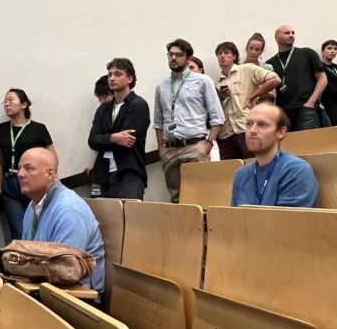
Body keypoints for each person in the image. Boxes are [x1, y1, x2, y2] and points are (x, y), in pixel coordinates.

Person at [18, 148, 105, 292]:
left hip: (78, 299)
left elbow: (64, 272)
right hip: (44, 288)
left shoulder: (68, 209)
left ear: (50, 174)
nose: (20, 174)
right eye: (19, 168)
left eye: (29, 168)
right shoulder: (33, 204)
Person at [154, 39, 225, 202]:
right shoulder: (162, 86)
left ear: (187, 58)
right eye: (170, 55)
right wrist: (161, 149)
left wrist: (207, 144)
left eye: (178, 55)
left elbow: (217, 117)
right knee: (176, 199)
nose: (173, 58)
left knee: (200, 196)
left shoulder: (202, 81)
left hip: (195, 146)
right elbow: (158, 122)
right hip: (170, 150)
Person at [0, 88, 55, 241]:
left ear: (24, 104)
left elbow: (51, 156)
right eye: (5, 101)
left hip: (34, 183)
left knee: (39, 226)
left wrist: (51, 180)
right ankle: (21, 261)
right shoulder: (0, 129)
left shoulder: (38, 129)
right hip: (10, 184)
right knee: (19, 230)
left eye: (11, 100)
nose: (7, 104)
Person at [232, 103, 318, 207]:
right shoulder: (241, 174)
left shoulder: (296, 170)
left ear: (281, 132)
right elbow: (235, 219)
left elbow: (287, 222)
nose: (252, 131)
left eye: (262, 124)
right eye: (249, 124)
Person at [88, 58, 150, 199]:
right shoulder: (103, 109)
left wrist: (103, 139)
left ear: (129, 78)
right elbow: (92, 141)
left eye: (117, 74)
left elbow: (128, 141)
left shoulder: (138, 105)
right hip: (101, 174)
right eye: (110, 75)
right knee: (101, 219)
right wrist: (113, 138)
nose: (112, 78)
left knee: (128, 218)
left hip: (128, 173)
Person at [215, 41, 281, 159]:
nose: (222, 56)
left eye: (226, 53)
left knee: (254, 164)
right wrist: (221, 96)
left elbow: (275, 79)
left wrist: (253, 96)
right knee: (231, 172)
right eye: (219, 54)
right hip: (226, 134)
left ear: (234, 56)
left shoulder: (247, 69)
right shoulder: (217, 82)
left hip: (246, 128)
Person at [267, 24, 327, 131]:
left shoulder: (307, 53)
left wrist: (311, 102)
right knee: (288, 146)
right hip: (283, 113)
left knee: (308, 145)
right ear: (276, 37)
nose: (291, 35)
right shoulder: (270, 63)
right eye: (287, 33)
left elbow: (323, 79)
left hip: (305, 109)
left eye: (293, 33)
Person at [320, 39, 337, 125]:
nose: (333, 51)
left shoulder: (335, 67)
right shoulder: (318, 67)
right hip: (327, 103)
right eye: (329, 48)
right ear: (322, 51)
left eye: (335, 49)